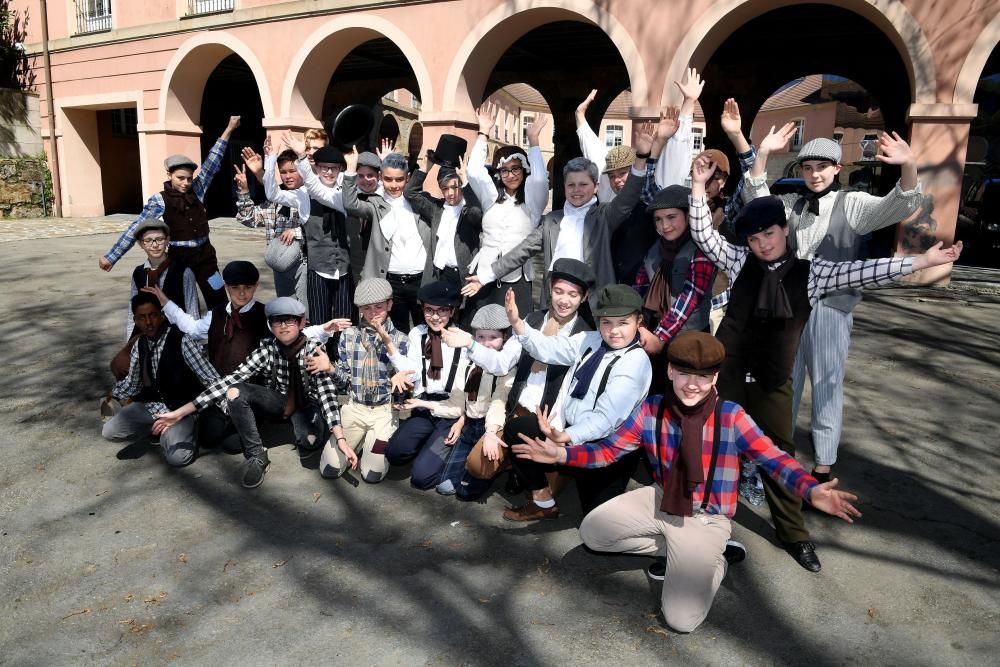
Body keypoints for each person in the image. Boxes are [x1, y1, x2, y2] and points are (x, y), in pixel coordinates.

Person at [689, 156, 962, 571]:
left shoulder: (812, 273)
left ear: (784, 231)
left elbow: (864, 271)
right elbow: (704, 234)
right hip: (725, 377)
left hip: (772, 380)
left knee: (779, 452)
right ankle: (698, 520)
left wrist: (922, 261)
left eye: (769, 234)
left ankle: (794, 534)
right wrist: (696, 187)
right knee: (711, 447)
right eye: (754, 238)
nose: (762, 244)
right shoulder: (738, 261)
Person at [511, 331, 864, 633]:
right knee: (593, 533)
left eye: (703, 376)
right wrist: (562, 457)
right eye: (683, 374)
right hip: (663, 497)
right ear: (669, 370)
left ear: (715, 378)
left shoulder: (731, 416)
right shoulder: (651, 410)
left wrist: (810, 487)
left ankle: (717, 559)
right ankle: (677, 550)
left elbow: (773, 458)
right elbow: (609, 451)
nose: (692, 384)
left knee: (681, 620)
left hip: (707, 516)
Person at [745, 126, 925, 483]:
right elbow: (756, 202)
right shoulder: (790, 205)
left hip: (831, 306)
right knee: (784, 382)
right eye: (808, 167)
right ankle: (780, 455)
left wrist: (909, 166)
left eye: (822, 167)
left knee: (827, 384)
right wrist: (761, 155)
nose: (814, 174)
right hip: (789, 307)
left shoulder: (853, 203)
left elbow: (901, 204)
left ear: (837, 169)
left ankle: (824, 466)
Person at [151, 297, 351, 489]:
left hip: (306, 404)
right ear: (270, 325)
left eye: (289, 320)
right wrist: (179, 413)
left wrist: (340, 438)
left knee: (310, 442)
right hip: (279, 401)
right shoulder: (267, 350)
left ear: (301, 323)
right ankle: (256, 454)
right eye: (276, 321)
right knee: (234, 391)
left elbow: (328, 398)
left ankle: (303, 430)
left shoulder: (314, 353)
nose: (283, 326)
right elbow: (229, 380)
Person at [442, 258, 596, 502]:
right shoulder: (533, 320)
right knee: (476, 467)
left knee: (546, 494)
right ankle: (513, 463)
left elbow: (547, 349)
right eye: (558, 291)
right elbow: (502, 363)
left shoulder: (587, 335)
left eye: (573, 294)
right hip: (516, 412)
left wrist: (561, 436)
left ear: (584, 297)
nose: (564, 300)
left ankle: (546, 469)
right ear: (549, 290)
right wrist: (470, 344)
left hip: (551, 422)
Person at [503, 283, 653, 520]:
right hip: (566, 433)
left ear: (639, 321)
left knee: (599, 528)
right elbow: (549, 349)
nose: (614, 331)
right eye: (606, 322)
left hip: (602, 447)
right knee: (516, 429)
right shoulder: (589, 339)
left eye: (623, 323)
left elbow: (606, 418)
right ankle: (543, 501)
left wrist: (566, 438)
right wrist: (518, 324)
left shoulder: (636, 362)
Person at [472, 128, 652, 305]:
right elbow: (521, 251)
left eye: (583, 184)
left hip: (594, 304)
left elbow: (628, 197)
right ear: (564, 187)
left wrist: (641, 158)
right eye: (571, 184)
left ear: (596, 187)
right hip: (555, 302)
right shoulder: (552, 220)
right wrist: (485, 275)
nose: (577, 190)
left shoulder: (604, 215)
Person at [99, 116, 241, 309]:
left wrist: (229, 129)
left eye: (189, 178)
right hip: (179, 258)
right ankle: (182, 338)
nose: (186, 183)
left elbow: (212, 162)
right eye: (180, 178)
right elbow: (136, 228)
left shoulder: (197, 190)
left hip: (206, 257)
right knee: (179, 303)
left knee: (218, 298)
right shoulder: (159, 199)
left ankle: (223, 336)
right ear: (169, 175)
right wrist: (112, 256)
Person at [148, 260, 277, 455]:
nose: (242, 293)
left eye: (248, 287)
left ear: (256, 286)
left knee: (232, 444)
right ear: (226, 287)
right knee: (209, 438)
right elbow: (191, 327)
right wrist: (166, 303)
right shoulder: (215, 314)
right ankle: (202, 419)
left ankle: (253, 421)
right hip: (217, 391)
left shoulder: (265, 316)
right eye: (235, 288)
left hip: (248, 392)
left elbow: (290, 337)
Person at [306, 278, 411, 483]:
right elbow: (345, 384)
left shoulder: (402, 340)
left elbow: (407, 392)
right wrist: (331, 368)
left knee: (372, 473)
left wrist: (401, 386)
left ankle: (372, 439)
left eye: (379, 307)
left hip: (384, 412)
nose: (373, 313)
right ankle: (357, 437)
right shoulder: (349, 335)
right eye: (366, 308)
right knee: (330, 468)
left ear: (390, 304)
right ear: (360, 309)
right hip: (355, 408)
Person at [102, 293, 220, 467]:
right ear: (135, 320)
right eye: (142, 318)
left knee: (177, 458)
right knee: (109, 431)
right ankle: (159, 430)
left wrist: (196, 408)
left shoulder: (182, 340)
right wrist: (114, 395)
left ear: (162, 315)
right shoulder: (140, 344)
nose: (148, 322)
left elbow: (212, 380)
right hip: (151, 407)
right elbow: (132, 384)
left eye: (153, 315)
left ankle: (176, 432)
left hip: (180, 411)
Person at [461, 102, 550, 315]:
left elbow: (539, 179)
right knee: (481, 329)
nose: (510, 175)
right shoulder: (491, 197)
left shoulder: (533, 202)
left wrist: (534, 141)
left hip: (517, 278)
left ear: (524, 168)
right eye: (504, 170)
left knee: (514, 335)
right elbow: (473, 171)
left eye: (516, 169)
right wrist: (483, 133)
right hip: (482, 276)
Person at [384, 281, 470, 488]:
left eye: (442, 311)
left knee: (422, 478)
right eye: (429, 310)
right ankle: (429, 445)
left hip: (452, 409)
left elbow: (472, 385)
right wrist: (400, 372)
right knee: (395, 453)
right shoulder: (418, 334)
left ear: (452, 311)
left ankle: (450, 451)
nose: (435, 316)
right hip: (423, 406)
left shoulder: (464, 338)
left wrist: (462, 420)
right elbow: (413, 370)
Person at [342, 150, 432, 332]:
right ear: (381, 177)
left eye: (399, 179)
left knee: (426, 330)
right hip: (391, 281)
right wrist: (351, 169)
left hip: (422, 279)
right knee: (397, 331)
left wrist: (424, 169)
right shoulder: (375, 204)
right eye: (389, 179)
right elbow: (351, 204)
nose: (394, 185)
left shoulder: (419, 202)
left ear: (407, 178)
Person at [432, 304, 515, 497]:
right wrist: (461, 419)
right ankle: (472, 461)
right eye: (481, 337)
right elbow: (460, 397)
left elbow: (499, 402)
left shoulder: (506, 366)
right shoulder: (469, 359)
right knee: (445, 484)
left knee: (466, 492)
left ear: (505, 337)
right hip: (470, 424)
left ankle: (506, 463)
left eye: (493, 337)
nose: (486, 343)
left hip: (493, 426)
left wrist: (492, 433)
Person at [404, 135, 483, 313]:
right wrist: (426, 168)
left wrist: (466, 182)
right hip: (441, 273)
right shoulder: (437, 209)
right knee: (441, 319)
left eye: (455, 187)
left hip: (464, 276)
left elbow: (476, 214)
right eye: (445, 188)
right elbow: (410, 193)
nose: (450, 193)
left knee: (463, 319)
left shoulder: (468, 209)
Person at [234, 143, 308, 305]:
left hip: (306, 267)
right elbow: (249, 218)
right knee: (287, 311)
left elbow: (321, 228)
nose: (287, 176)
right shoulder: (274, 203)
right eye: (283, 172)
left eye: (292, 171)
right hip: (280, 268)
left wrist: (297, 231)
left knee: (308, 313)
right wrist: (244, 192)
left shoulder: (313, 197)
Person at [122, 219, 199, 343]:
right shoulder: (138, 273)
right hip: (147, 339)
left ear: (167, 240)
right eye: (148, 240)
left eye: (159, 239)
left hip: (176, 340)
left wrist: (195, 344)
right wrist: (130, 343)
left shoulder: (184, 272)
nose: (155, 245)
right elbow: (133, 312)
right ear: (141, 244)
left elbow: (193, 311)